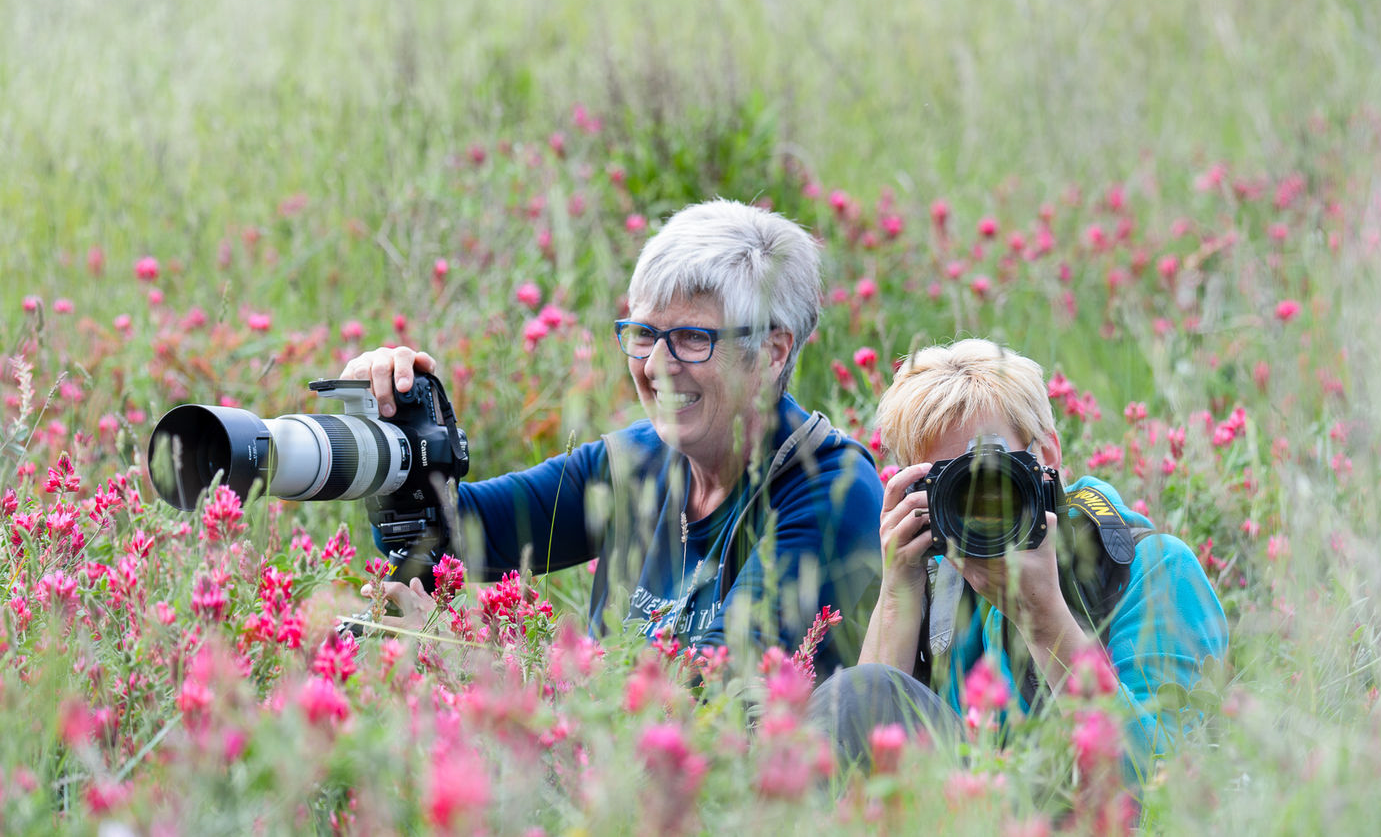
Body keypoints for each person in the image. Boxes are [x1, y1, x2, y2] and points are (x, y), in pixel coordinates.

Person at [342, 200, 884, 678]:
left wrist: (465, 663)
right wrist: (394, 433)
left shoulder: (829, 490)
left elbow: (705, 701)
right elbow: (441, 542)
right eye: (645, 334)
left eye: (693, 339)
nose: (657, 366)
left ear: (772, 352)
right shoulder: (634, 462)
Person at [808, 338, 1228, 777]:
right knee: (859, 693)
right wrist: (898, 595)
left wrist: (1045, 618)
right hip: (965, 811)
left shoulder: (1148, 569)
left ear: (1046, 454)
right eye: (951, 485)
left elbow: (1156, 780)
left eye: (991, 470)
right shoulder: (935, 583)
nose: (978, 500)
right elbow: (859, 741)